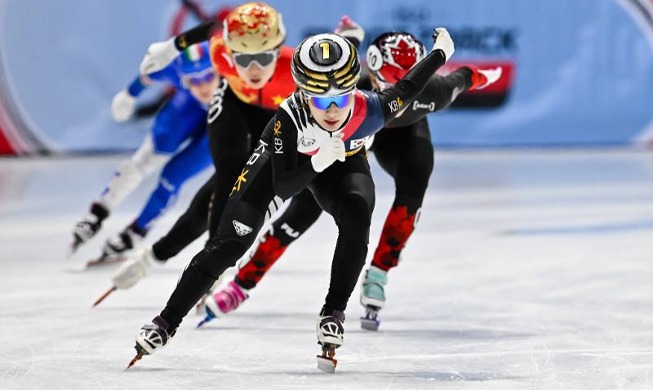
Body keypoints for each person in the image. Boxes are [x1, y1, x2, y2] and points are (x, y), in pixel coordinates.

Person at [127, 28, 456, 373]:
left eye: (339, 100)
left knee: (358, 211)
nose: (330, 110)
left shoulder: (372, 109)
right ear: (303, 93)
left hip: (340, 160)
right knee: (230, 244)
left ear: (353, 92)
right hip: (286, 165)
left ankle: (333, 311)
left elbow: (407, 87)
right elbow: (284, 187)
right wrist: (316, 159)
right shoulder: (287, 121)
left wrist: (440, 54)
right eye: (319, 100)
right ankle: (166, 321)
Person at [199, 32, 502, 331]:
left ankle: (380, 271)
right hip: (348, 143)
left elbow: (462, 79)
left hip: (401, 139)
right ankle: (243, 281)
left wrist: (484, 74)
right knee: (302, 211)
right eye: (386, 82)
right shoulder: (346, 90)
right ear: (370, 70)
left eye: (403, 81)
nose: (395, 90)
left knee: (415, 182)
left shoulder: (428, 92)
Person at [103, 14, 364, 293]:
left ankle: (157, 257)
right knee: (228, 175)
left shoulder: (296, 71)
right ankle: (194, 261)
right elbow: (209, 30)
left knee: (236, 190)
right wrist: (171, 48)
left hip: (272, 117)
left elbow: (333, 68)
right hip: (234, 104)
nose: (253, 69)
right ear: (230, 53)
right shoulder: (220, 54)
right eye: (243, 58)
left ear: (278, 51)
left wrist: (349, 38)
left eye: (263, 59)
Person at [70, 42, 218, 263]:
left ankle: (135, 233)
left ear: (220, 70)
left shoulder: (234, 69)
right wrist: (128, 95)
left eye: (207, 77)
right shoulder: (174, 69)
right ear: (183, 79)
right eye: (193, 81)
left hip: (222, 121)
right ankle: (98, 212)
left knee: (173, 177)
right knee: (145, 160)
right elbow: (147, 75)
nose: (203, 86)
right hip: (187, 108)